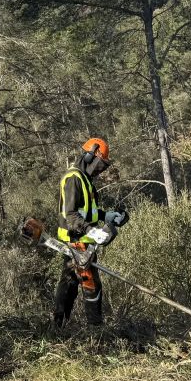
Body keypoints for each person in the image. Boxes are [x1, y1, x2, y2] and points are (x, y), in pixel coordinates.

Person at [53, 138, 128, 326]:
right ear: (89, 156)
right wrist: (91, 231)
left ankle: (59, 325)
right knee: (91, 285)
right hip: (76, 241)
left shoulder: (85, 180)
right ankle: (96, 330)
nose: (101, 169)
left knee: (69, 284)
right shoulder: (73, 179)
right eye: (100, 164)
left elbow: (87, 211)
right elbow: (70, 214)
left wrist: (106, 216)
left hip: (84, 241)